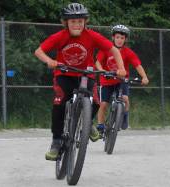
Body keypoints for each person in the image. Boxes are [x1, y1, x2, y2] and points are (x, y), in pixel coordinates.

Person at [34, 3, 126, 161]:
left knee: (96, 101)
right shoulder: (60, 36)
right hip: (64, 75)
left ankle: (87, 123)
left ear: (85, 22)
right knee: (59, 104)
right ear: (66, 23)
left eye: (80, 21)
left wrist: (121, 68)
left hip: (86, 75)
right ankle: (56, 142)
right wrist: (49, 60)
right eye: (73, 22)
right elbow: (39, 51)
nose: (77, 25)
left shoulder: (92, 36)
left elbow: (114, 50)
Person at [95, 24, 149, 133]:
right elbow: (97, 62)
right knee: (103, 104)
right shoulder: (106, 49)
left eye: (122, 38)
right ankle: (100, 124)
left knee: (125, 99)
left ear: (125, 40)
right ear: (113, 38)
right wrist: (102, 71)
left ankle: (124, 116)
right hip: (106, 81)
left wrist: (144, 77)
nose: (119, 40)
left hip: (121, 81)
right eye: (117, 37)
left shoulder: (128, 52)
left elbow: (137, 65)